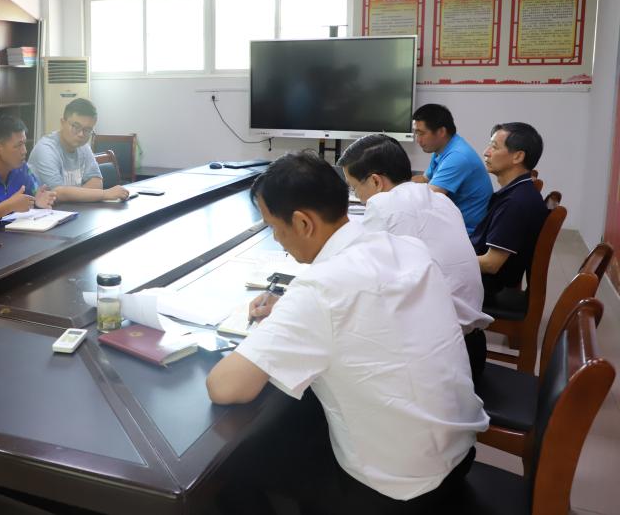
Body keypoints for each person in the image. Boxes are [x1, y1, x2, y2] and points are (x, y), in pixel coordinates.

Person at [206, 152, 487, 514]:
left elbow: (226, 387)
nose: (277, 239)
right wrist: (292, 312)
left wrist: (289, 316)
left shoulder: (321, 288)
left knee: (235, 469)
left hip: (395, 490)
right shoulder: (408, 248)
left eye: (274, 227)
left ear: (303, 222)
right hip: (457, 454)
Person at [338, 134, 492, 377]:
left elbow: (363, 283)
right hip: (471, 345)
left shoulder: (384, 206)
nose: (356, 195)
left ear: (376, 181)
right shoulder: (440, 200)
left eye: (354, 187)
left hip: (438, 362)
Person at [471, 122, 549, 299]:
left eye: (494, 147)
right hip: (483, 278)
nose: (486, 152)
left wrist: (446, 260)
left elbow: (491, 264)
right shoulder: (518, 191)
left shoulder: (515, 203)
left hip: (486, 288)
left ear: (518, 157)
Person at [27, 98, 131, 202]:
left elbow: (97, 182)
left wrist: (73, 195)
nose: (81, 134)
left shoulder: (83, 146)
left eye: (87, 129)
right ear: (62, 122)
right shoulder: (46, 149)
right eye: (76, 126)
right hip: (44, 211)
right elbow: (58, 193)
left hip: (73, 208)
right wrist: (104, 194)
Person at [410, 104, 492, 234]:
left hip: (467, 235)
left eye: (421, 133)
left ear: (441, 132)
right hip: (450, 227)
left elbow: (427, 198)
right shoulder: (442, 149)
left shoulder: (458, 156)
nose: (418, 140)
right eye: (415, 133)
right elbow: (425, 179)